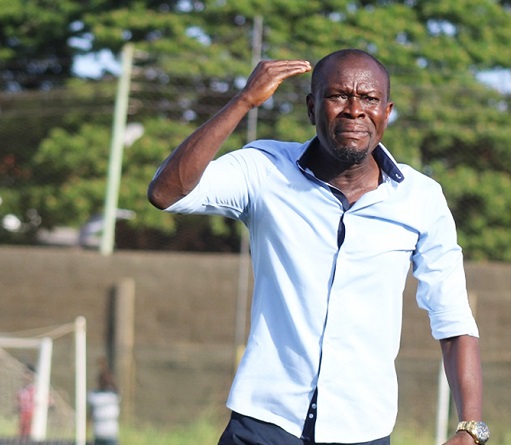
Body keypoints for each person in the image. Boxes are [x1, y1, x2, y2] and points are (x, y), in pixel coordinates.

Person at [148, 49, 488, 445]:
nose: (354, 110)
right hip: (264, 423)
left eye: (369, 98)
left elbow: (453, 318)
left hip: (363, 428)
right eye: (338, 95)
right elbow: (166, 192)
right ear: (312, 107)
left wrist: (471, 428)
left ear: (387, 111)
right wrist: (243, 101)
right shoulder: (264, 169)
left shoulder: (421, 199)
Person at [88, 360, 121, 445]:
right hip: (111, 433)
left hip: (98, 432)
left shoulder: (94, 397)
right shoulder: (113, 396)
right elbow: (117, 390)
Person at [17, 364, 37, 438]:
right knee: (21, 437)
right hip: (23, 417)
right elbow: (19, 403)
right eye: (24, 373)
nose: (24, 376)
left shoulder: (35, 390)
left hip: (31, 417)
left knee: (29, 437)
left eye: (27, 373)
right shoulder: (22, 390)